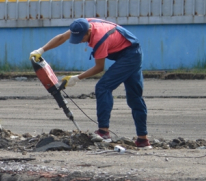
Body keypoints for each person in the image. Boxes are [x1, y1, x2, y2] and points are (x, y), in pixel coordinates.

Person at [30, 18, 151, 149]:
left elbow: (99, 68)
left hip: (130, 55)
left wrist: (76, 78)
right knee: (134, 97)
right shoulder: (81, 25)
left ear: (89, 31)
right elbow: (62, 38)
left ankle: (104, 132)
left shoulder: (100, 38)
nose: (81, 41)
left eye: (82, 38)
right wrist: (41, 50)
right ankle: (143, 141)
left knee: (104, 87)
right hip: (130, 50)